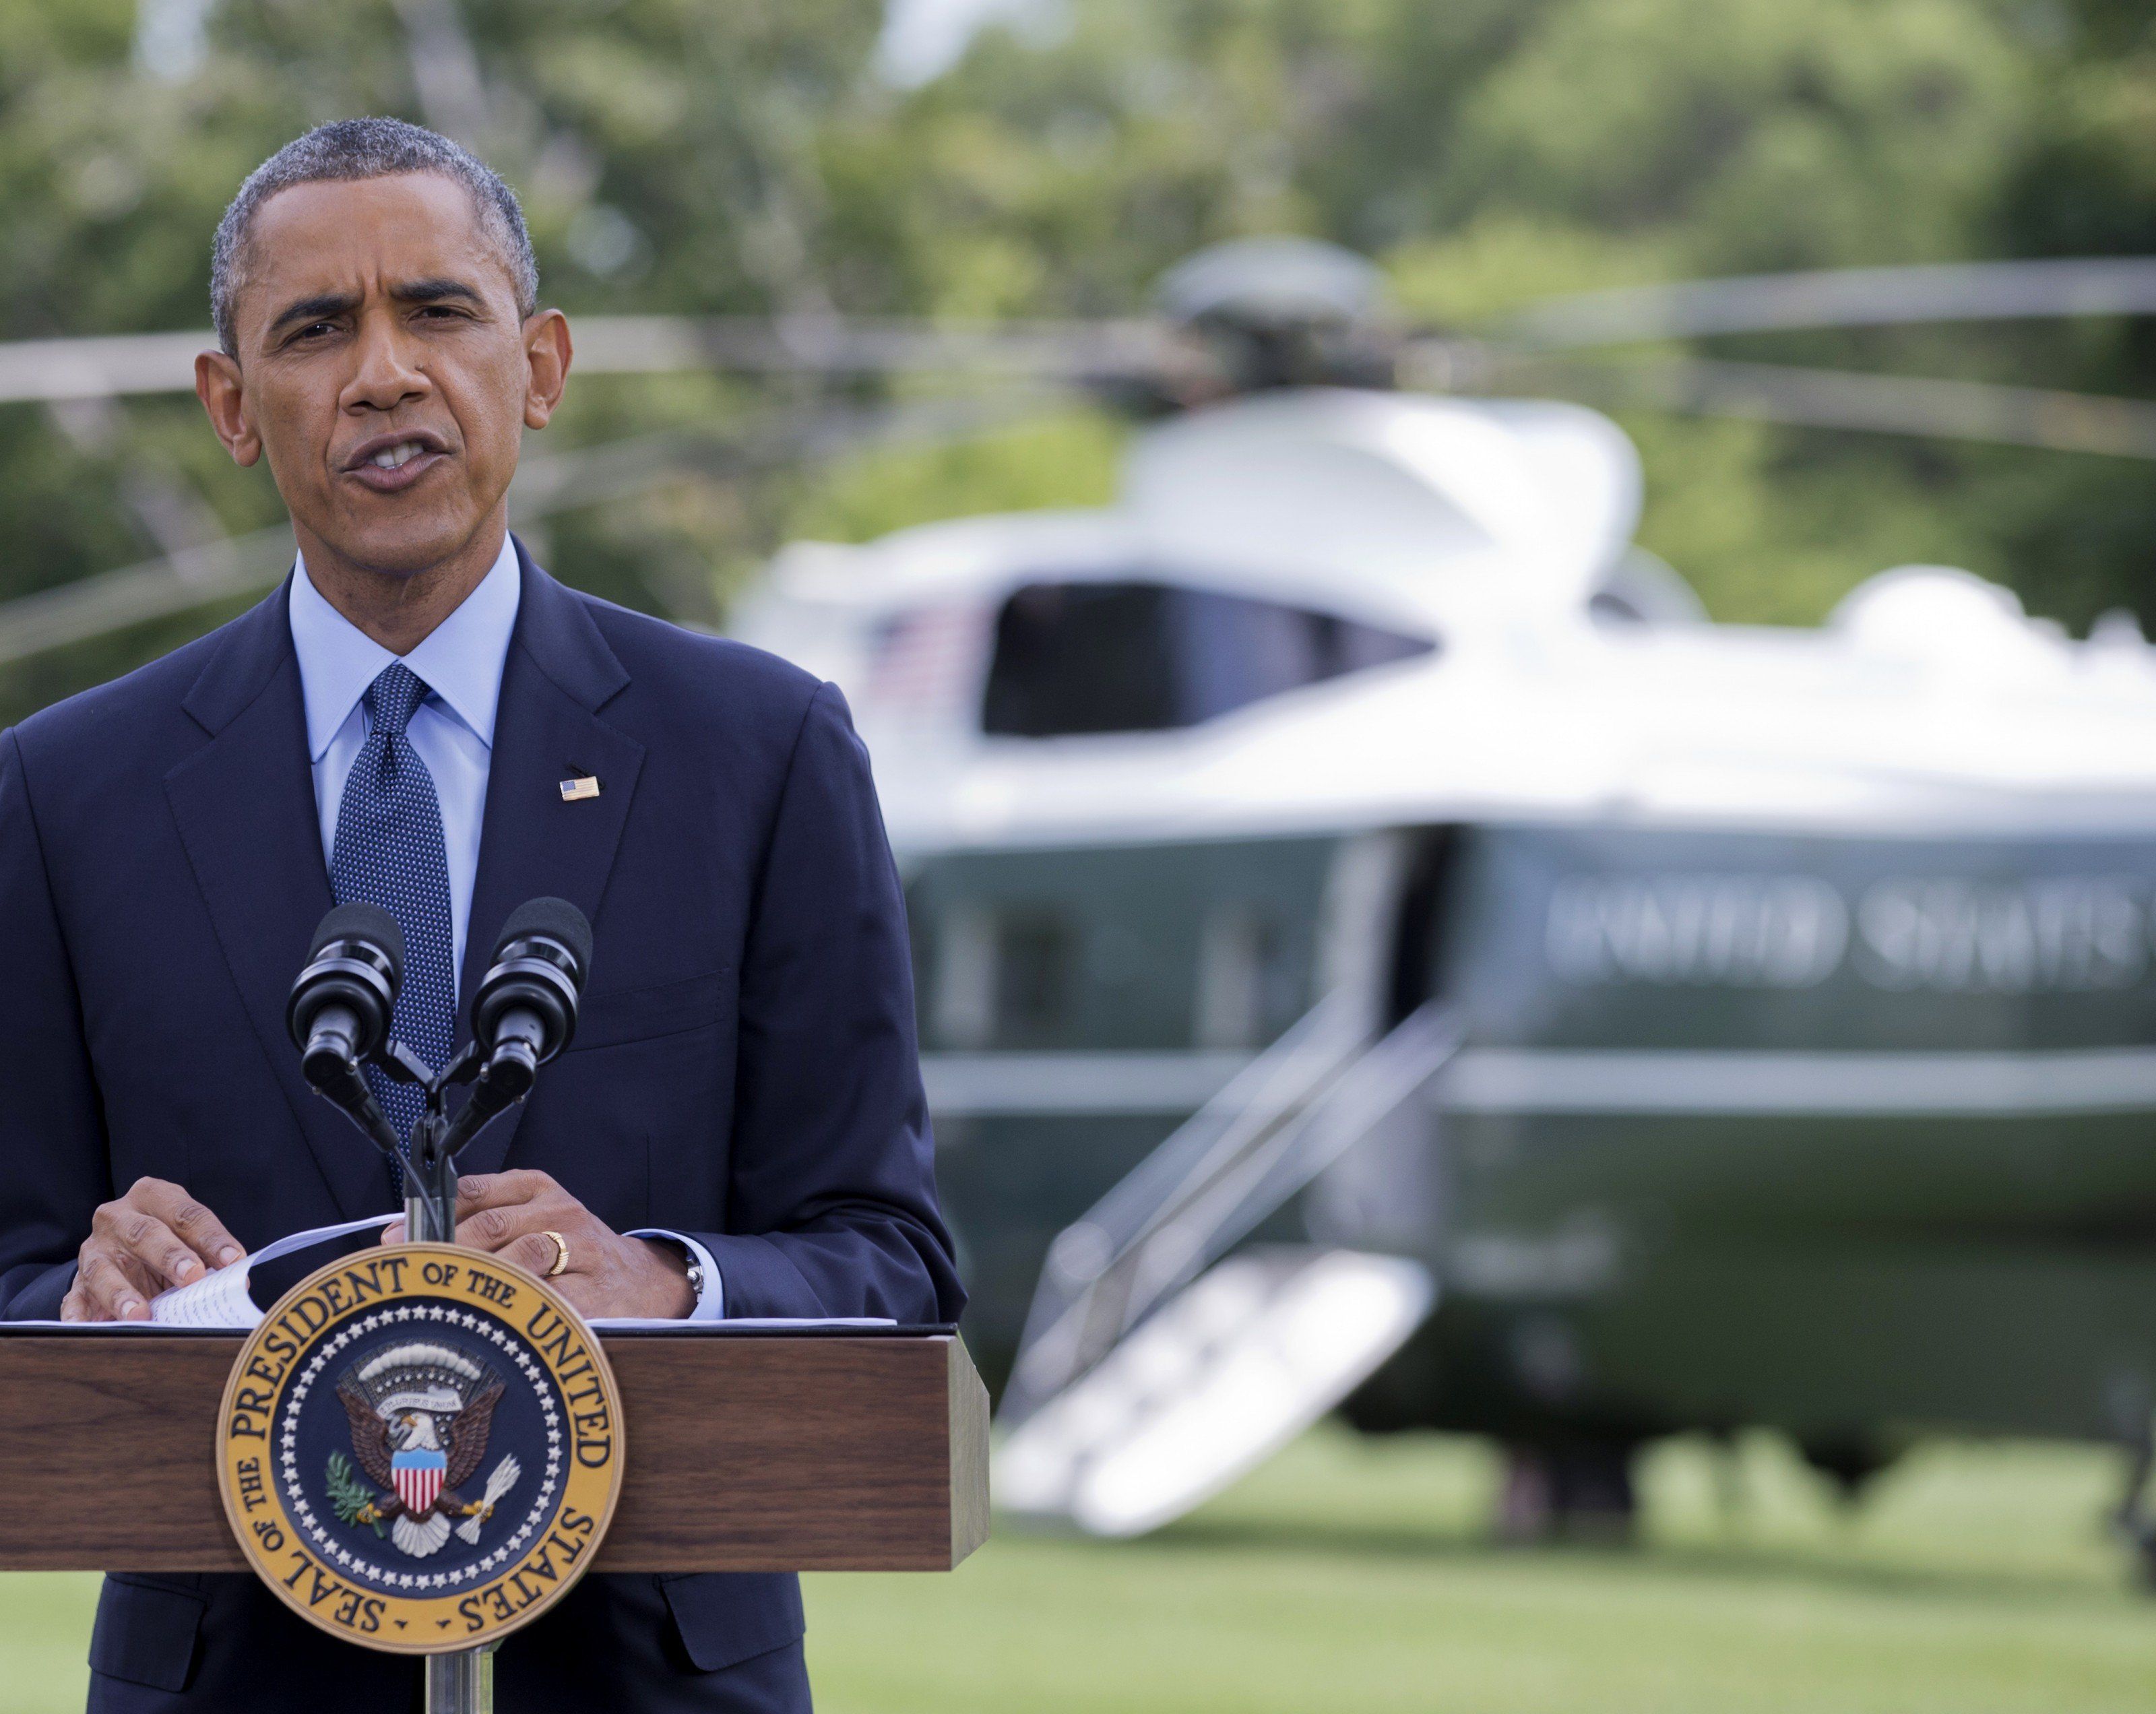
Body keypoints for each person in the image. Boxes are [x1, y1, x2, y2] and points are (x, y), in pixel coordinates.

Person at [0, 117, 961, 1713]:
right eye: (315, 330)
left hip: (655, 1677)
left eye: (436, 311)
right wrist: (85, 1293)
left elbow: (891, 1257)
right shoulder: (62, 792)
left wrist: (665, 1282)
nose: (382, 374)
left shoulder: (761, 751)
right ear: (232, 407)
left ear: (541, 363)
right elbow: (12, 1268)